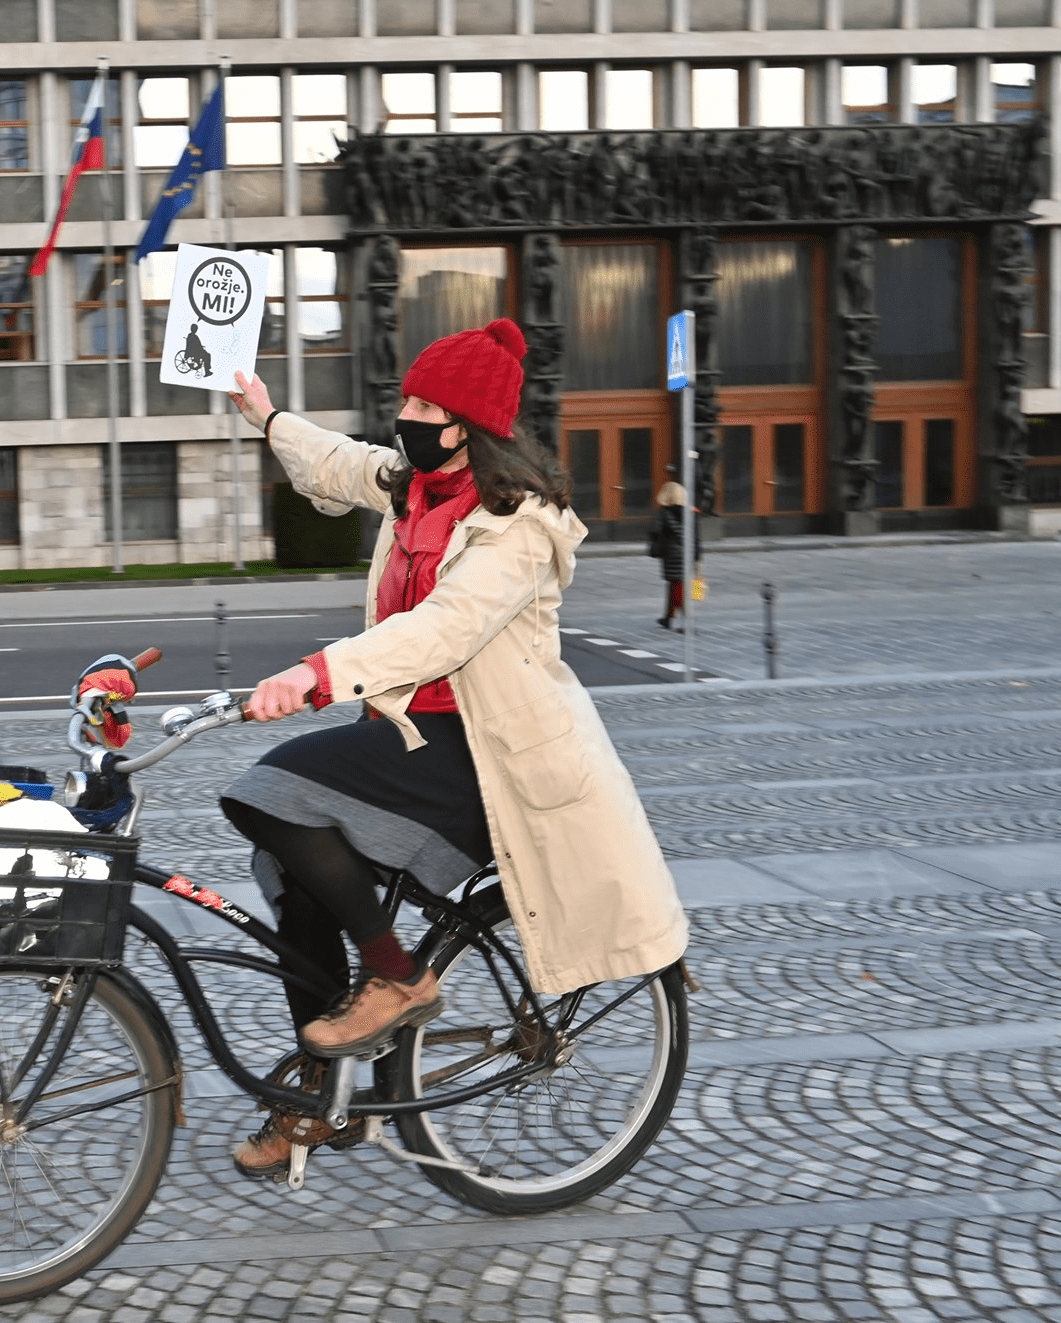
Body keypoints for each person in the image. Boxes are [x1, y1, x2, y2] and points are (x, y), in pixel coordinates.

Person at [210, 319, 688, 1179]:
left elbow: (446, 629)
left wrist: (319, 672)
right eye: (409, 400)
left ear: (467, 424)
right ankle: (324, 1096)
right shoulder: (417, 489)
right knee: (295, 883)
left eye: (426, 405)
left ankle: (396, 978)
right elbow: (342, 462)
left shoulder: (517, 528)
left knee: (265, 792)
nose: (407, 416)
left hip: (490, 757)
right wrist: (268, 415)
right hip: (411, 736)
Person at [647, 480, 696, 631]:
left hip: (672, 555)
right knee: (678, 586)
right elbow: (696, 536)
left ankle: (685, 621)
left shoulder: (664, 513)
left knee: (676, 587)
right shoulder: (690, 512)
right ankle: (669, 617)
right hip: (688, 554)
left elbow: (655, 531)